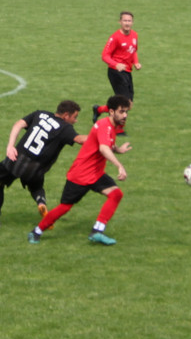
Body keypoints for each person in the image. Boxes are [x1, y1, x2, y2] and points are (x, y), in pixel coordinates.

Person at [28, 95, 132, 246]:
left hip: (95, 173)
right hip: (81, 175)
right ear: (111, 111)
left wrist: (117, 149)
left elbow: (106, 144)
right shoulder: (104, 126)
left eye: (126, 112)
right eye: (121, 112)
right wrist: (119, 165)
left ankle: (97, 231)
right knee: (65, 207)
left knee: (116, 194)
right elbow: (103, 148)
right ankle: (36, 231)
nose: (125, 115)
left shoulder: (110, 126)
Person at [0, 100, 86, 228]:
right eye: (75, 117)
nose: (75, 120)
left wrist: (10, 146)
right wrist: (99, 136)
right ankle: (41, 203)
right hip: (35, 168)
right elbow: (80, 140)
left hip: (17, 159)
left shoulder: (40, 114)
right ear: (66, 115)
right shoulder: (65, 128)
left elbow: (18, 124)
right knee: (36, 187)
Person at [101, 12, 140, 101]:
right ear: (120, 22)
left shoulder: (134, 35)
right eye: (125, 21)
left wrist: (136, 62)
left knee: (129, 104)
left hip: (127, 71)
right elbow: (104, 56)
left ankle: (99, 109)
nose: (127, 23)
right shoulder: (115, 37)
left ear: (132, 22)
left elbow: (133, 50)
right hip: (115, 72)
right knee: (124, 103)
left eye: (129, 21)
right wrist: (116, 64)